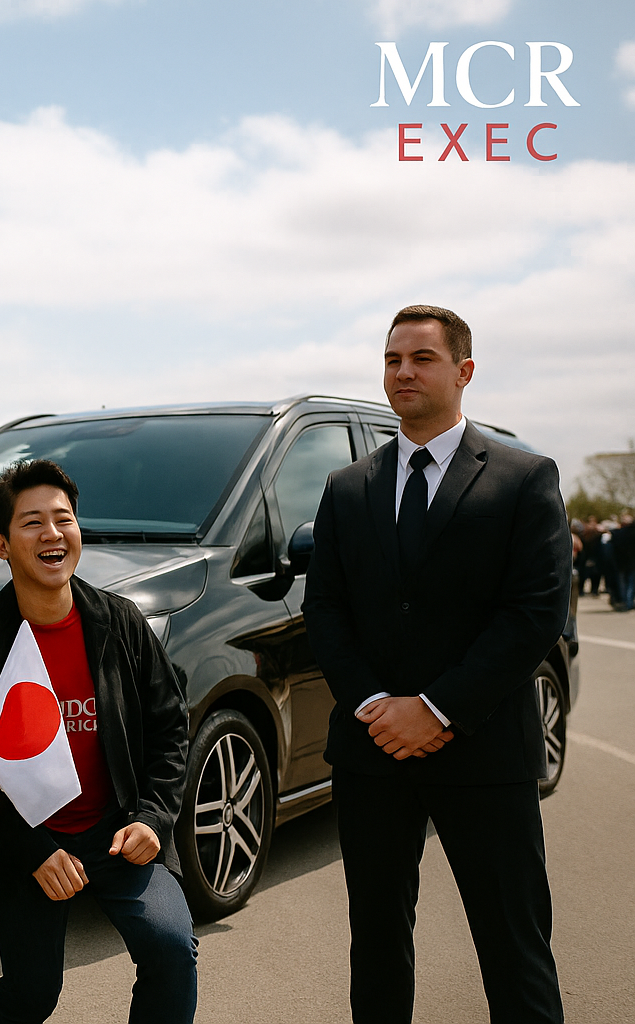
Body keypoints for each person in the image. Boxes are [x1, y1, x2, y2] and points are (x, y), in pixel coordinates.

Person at [303, 305, 573, 1024]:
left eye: (421, 358)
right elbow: (325, 611)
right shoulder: (346, 487)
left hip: (482, 752)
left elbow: (534, 613)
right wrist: (375, 706)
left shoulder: (523, 478)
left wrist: (437, 708)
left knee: (514, 949)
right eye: (392, 359)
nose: (402, 372)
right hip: (373, 753)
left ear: (464, 371)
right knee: (378, 948)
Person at [0, 459, 197, 1024]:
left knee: (170, 949)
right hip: (28, 845)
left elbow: (169, 727)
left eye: (64, 519)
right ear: (1, 545)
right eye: (32, 522)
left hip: (117, 831)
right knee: (32, 991)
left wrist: (153, 820)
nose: (53, 534)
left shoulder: (120, 622)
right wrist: (31, 850)